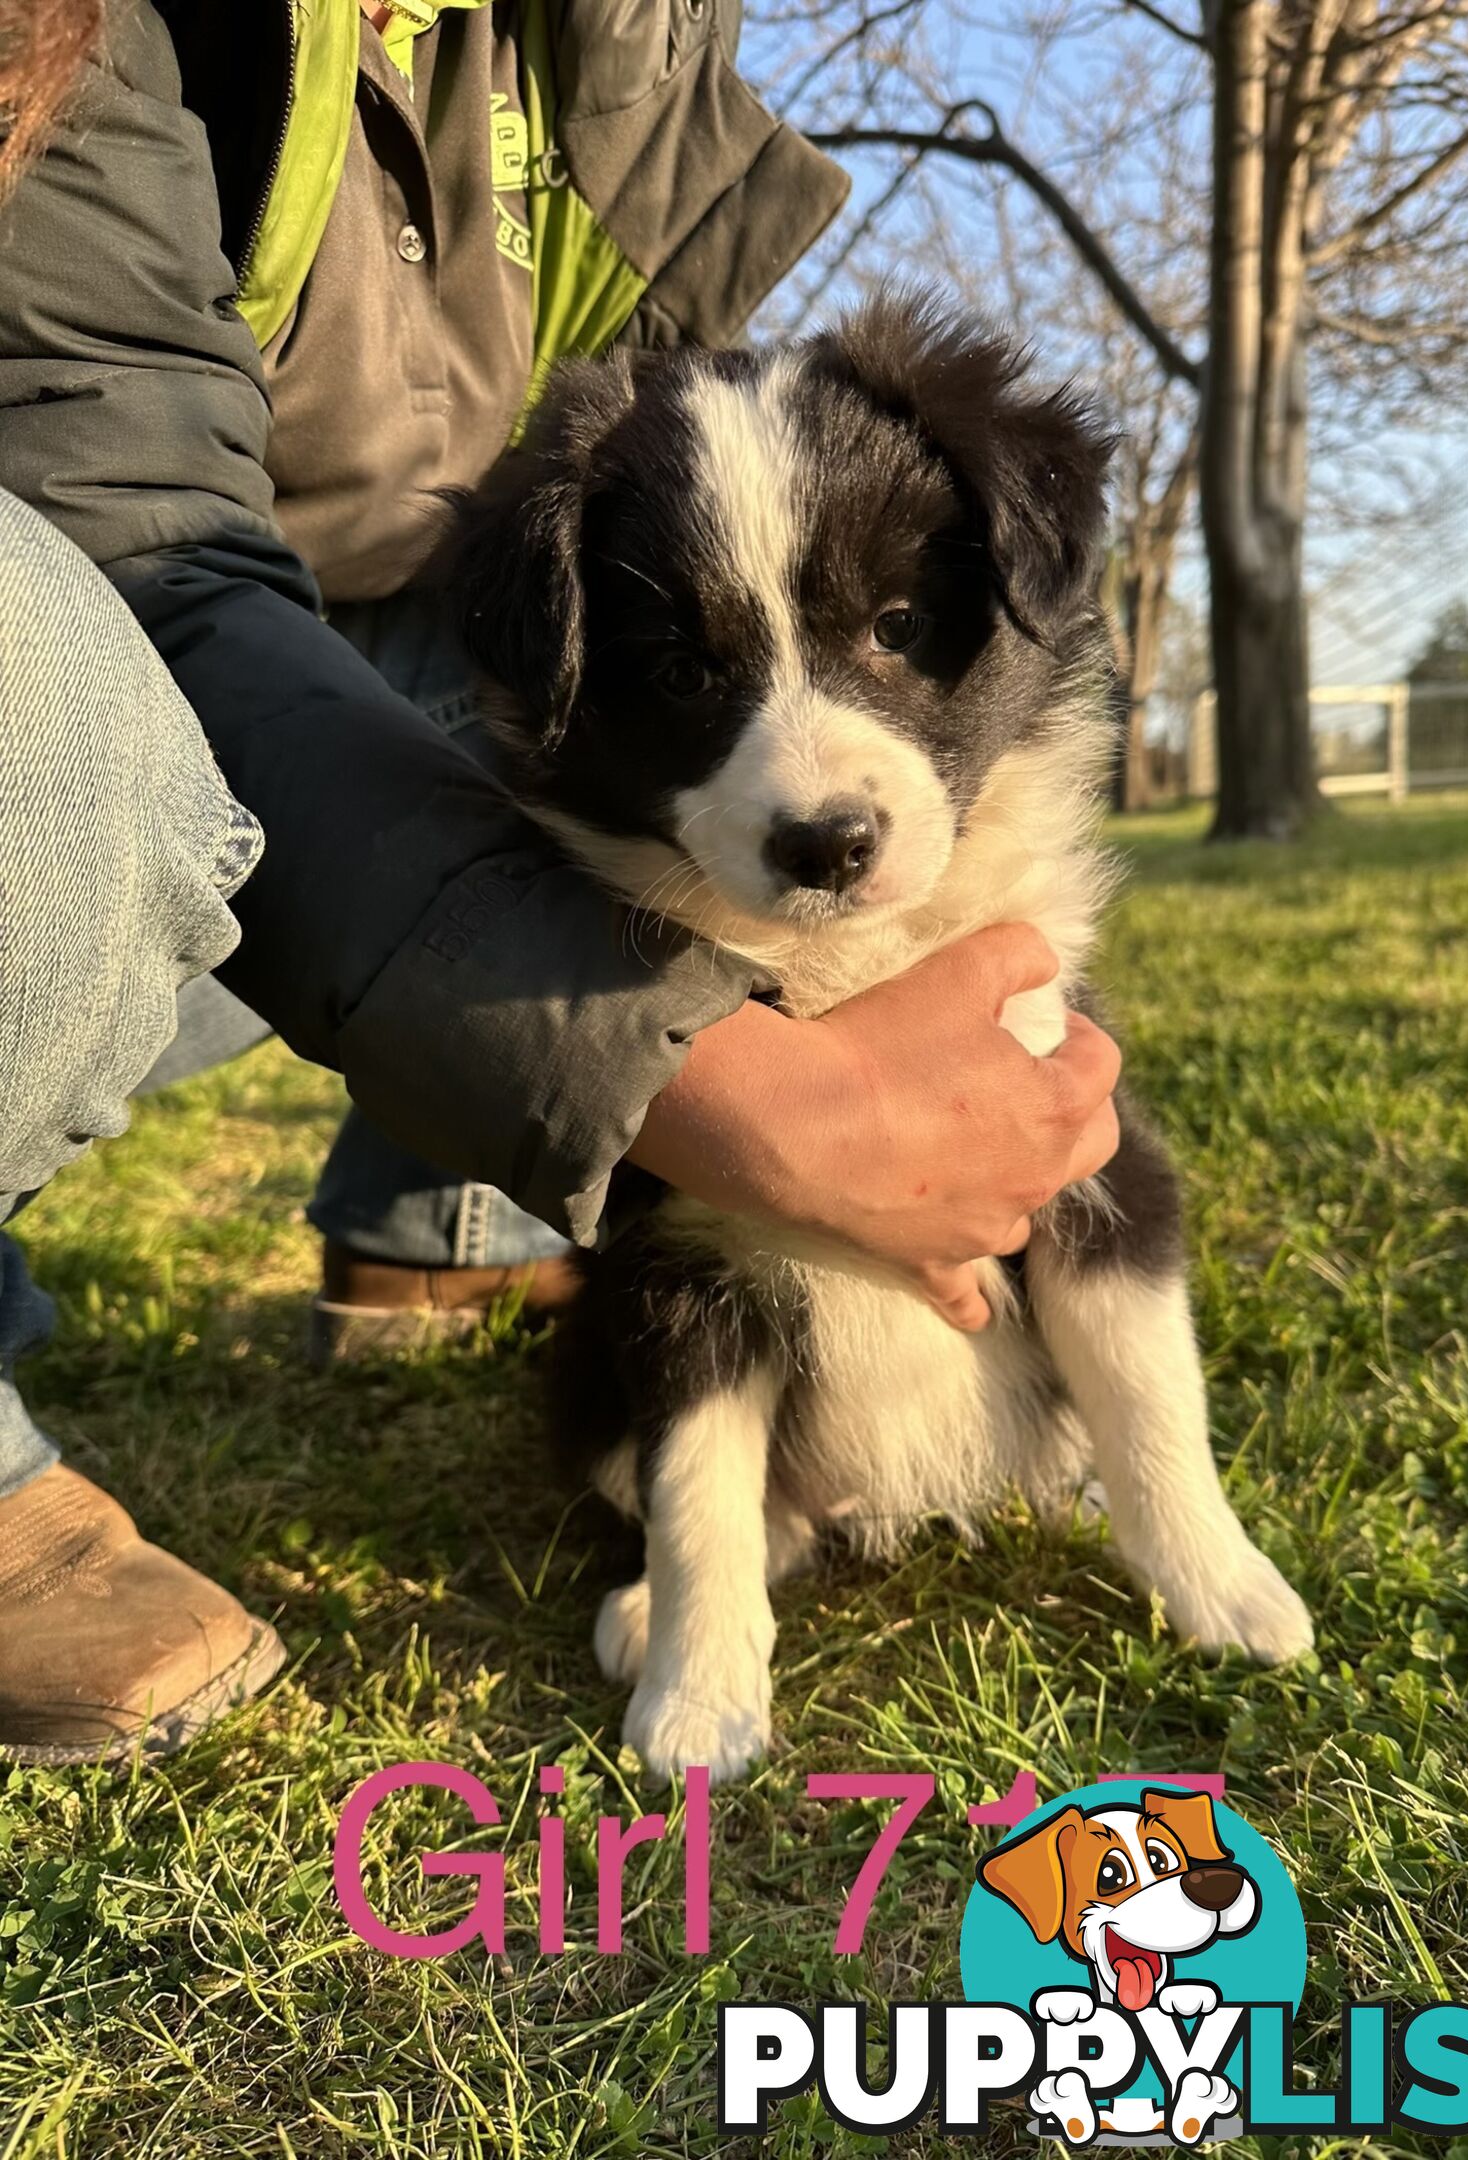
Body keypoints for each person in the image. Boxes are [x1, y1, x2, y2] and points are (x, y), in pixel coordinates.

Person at [0, 0, 1123, 1762]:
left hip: (421, 615)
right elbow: (141, 543)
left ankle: (438, 1242)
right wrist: (709, 1076)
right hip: (111, 601)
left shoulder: (614, 25)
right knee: (26, 678)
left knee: (631, 710)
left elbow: (715, 485)